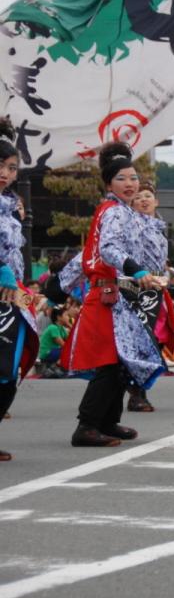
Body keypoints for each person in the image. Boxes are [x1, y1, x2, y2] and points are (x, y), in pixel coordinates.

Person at [55, 142, 167, 447]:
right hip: (108, 296)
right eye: (121, 179)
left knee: (119, 361)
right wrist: (137, 270)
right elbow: (106, 250)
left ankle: (107, 421)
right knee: (109, 362)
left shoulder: (121, 212)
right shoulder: (115, 211)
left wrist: (58, 288)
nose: (130, 183)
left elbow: (86, 256)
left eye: (133, 178)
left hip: (118, 296)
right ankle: (87, 425)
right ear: (108, 184)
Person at [0, 119, 40, 459]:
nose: (4, 173)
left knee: (9, 369)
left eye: (11, 168)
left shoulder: (12, 205)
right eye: (0, 165)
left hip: (10, 298)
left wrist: (27, 291)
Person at [126, 181, 174, 413]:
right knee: (142, 341)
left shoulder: (159, 229)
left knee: (159, 337)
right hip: (135, 288)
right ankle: (137, 392)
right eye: (138, 197)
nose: (143, 200)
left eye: (147, 196)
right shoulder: (129, 226)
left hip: (157, 290)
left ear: (156, 201)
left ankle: (137, 388)